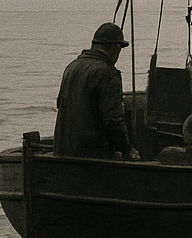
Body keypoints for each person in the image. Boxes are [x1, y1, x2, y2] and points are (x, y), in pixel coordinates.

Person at [54, 22, 139, 160]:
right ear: (114, 47)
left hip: (62, 153)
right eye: (119, 49)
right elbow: (113, 120)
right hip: (92, 158)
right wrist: (126, 149)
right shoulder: (108, 73)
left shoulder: (71, 67)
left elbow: (60, 105)